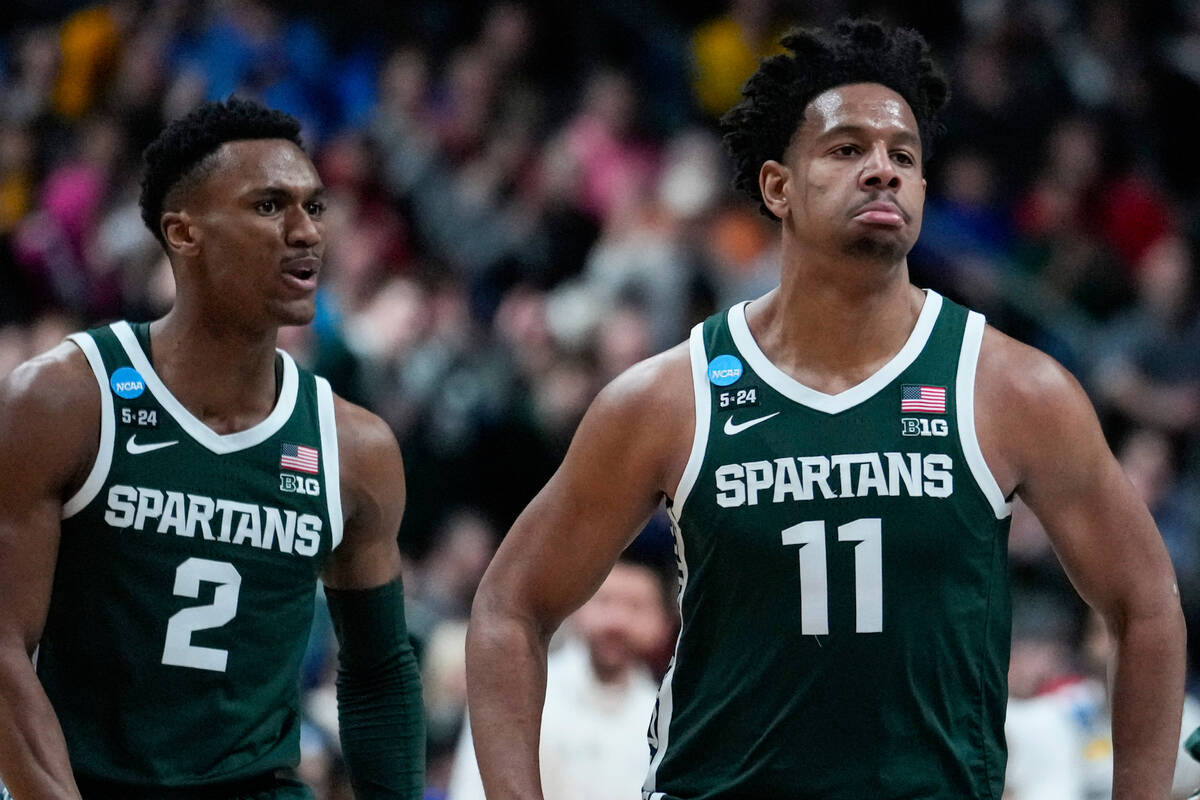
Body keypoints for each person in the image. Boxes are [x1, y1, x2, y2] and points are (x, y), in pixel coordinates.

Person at [465, 20, 1185, 800]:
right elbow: (510, 608)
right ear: (777, 186)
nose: (882, 171)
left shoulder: (1012, 388)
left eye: (902, 157)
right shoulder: (671, 396)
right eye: (847, 150)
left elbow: (1146, 605)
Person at [0, 98, 423, 799]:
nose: (306, 233)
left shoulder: (354, 446)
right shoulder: (64, 400)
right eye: (269, 206)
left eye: (315, 208)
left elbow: (380, 674)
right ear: (183, 233)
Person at [449, 553, 673, 800]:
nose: (616, 622)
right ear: (576, 606)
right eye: (604, 601)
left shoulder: (669, 716)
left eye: (635, 606)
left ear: (663, 623)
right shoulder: (517, 691)